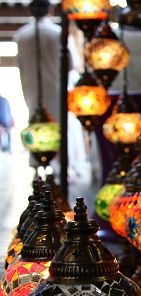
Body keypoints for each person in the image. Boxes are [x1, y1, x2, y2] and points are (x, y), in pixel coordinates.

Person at [13, 0, 95, 188]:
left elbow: (20, 66)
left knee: (37, 124)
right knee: (62, 126)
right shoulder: (57, 33)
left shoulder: (21, 35)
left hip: (32, 90)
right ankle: (64, 166)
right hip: (57, 88)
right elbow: (72, 64)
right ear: (50, 10)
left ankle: (37, 165)